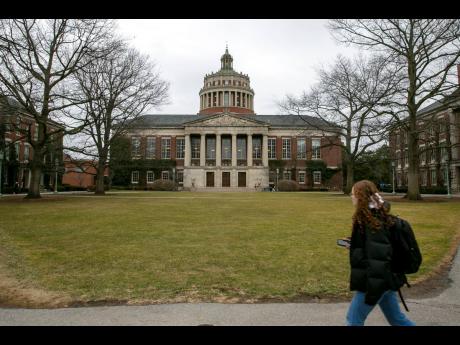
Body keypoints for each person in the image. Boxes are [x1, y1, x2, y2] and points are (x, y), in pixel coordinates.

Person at [346, 180, 415, 326]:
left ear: (360, 197)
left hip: (375, 282)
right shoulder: (376, 218)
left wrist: (372, 290)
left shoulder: (372, 224)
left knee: (353, 321)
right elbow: (378, 249)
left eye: (352, 194)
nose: (351, 197)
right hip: (386, 280)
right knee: (397, 320)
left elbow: (379, 258)